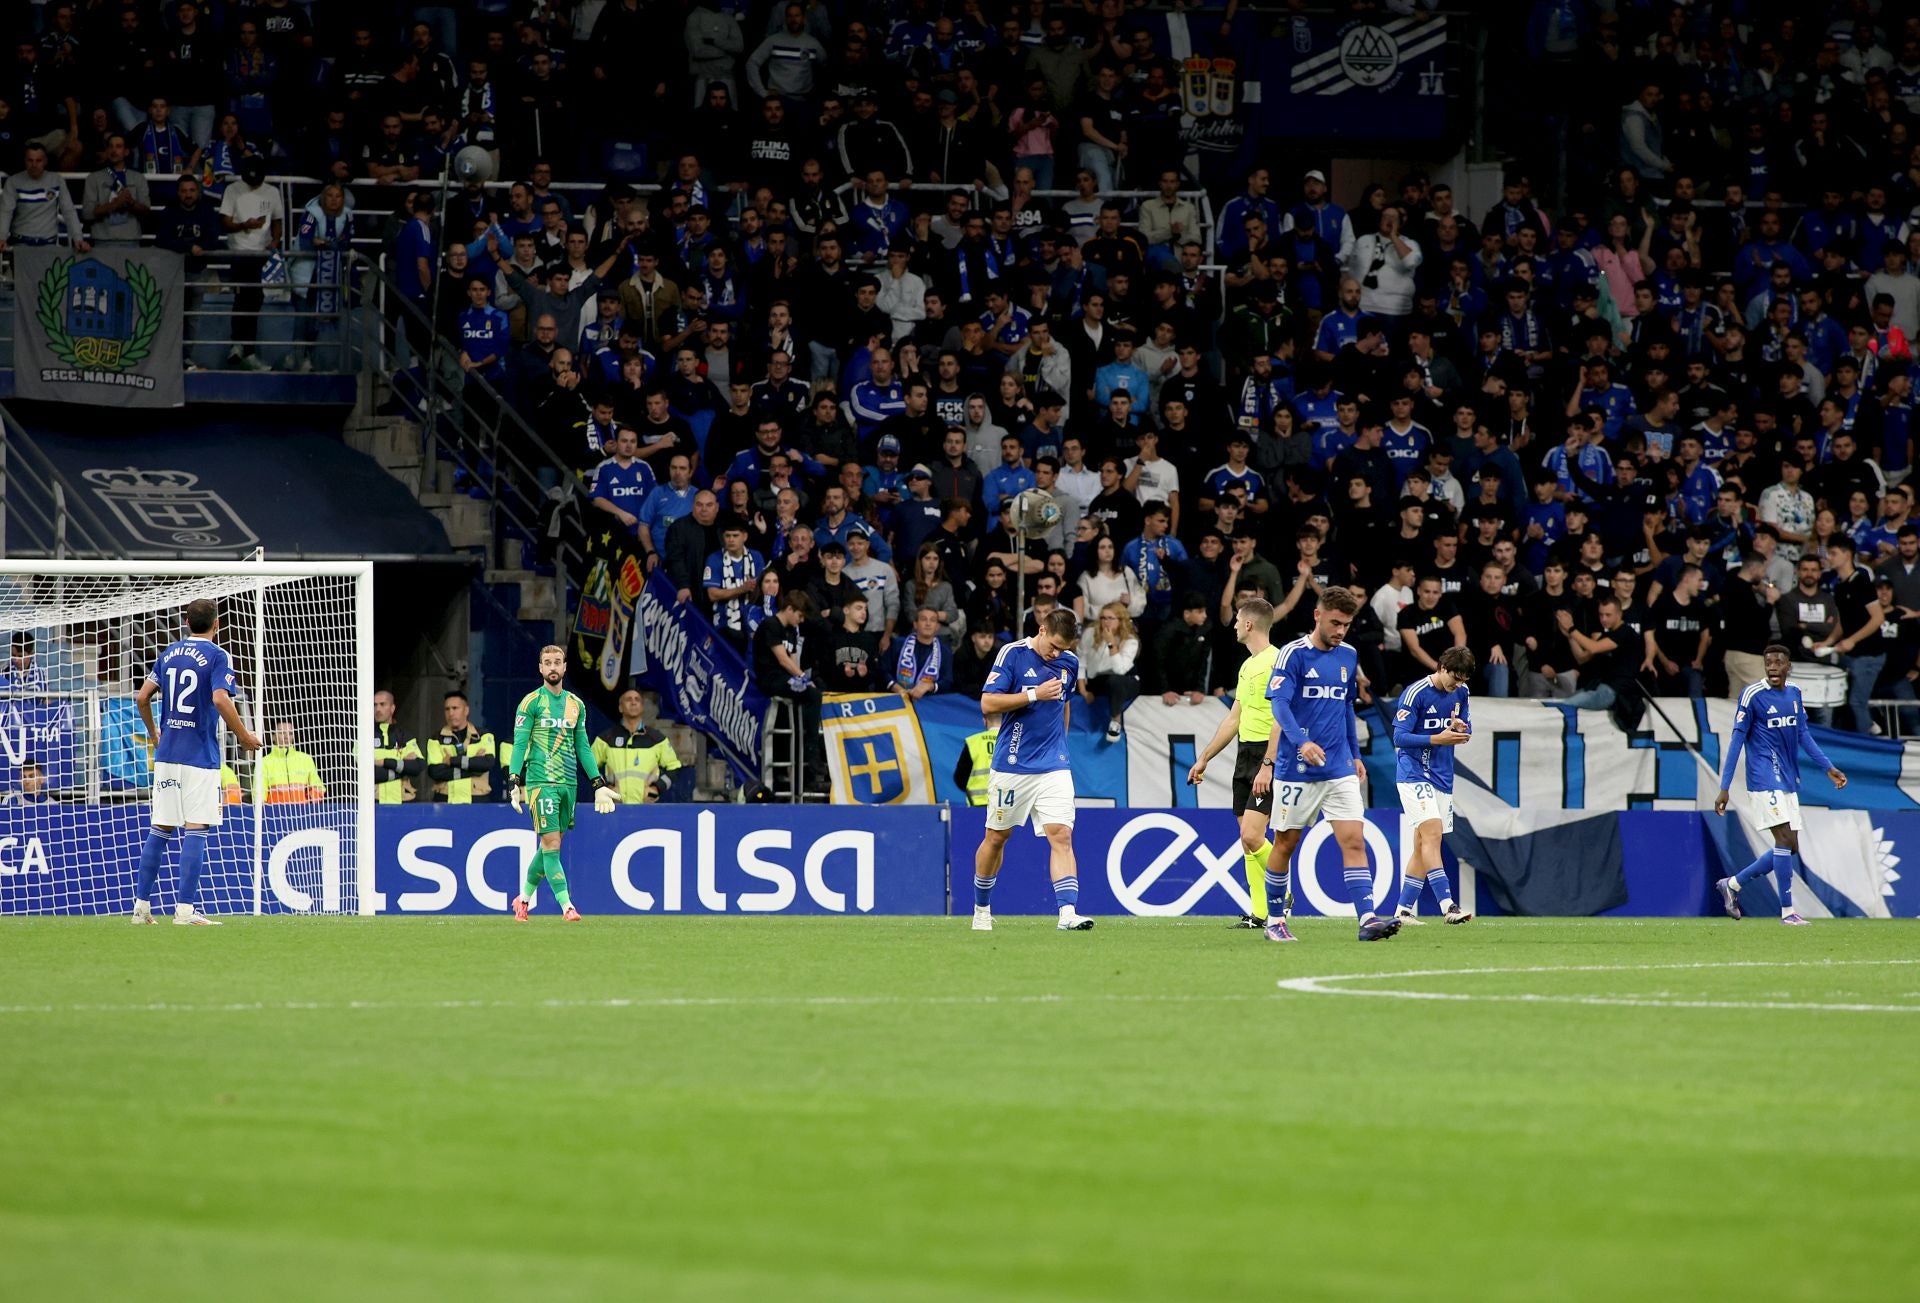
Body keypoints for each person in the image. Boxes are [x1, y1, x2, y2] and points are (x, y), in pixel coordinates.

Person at [1259, 586, 1401, 942]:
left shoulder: (1349, 655)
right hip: (1298, 769)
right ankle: (1274, 920)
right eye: (1335, 623)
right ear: (1317, 615)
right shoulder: (1292, 655)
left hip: (1338, 766)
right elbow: (1280, 705)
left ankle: (1367, 919)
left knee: (1354, 840)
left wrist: (1354, 754)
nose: (1340, 631)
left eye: (1346, 625)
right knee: (1285, 844)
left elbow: (1345, 708)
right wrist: (1301, 742)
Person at [131, 597, 263, 925]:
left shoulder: (169, 654)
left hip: (167, 753)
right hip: (198, 757)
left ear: (186, 622)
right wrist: (244, 736)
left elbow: (142, 697)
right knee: (196, 828)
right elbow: (220, 697)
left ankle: (141, 908)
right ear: (217, 625)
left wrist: (155, 733)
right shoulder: (218, 656)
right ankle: (185, 911)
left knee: (160, 828)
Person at [971, 608, 1094, 933]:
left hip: (1053, 765)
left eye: (1063, 648)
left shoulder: (1068, 662)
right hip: (1012, 765)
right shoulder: (1012, 654)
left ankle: (1067, 913)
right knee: (997, 838)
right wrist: (1032, 694)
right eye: (1053, 646)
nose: (1056, 653)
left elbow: (1063, 703)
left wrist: (1060, 745)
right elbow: (988, 703)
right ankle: (981, 909)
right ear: (1041, 629)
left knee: (1062, 835)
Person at [1713, 645, 1849, 927]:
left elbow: (1803, 735)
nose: (1773, 666)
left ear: (1789, 667)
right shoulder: (1752, 695)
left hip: (1787, 778)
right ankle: (1788, 912)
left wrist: (1829, 767)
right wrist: (1724, 786)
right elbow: (1737, 740)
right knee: (1785, 841)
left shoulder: (1795, 694)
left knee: (1790, 846)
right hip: (1763, 777)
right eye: (1768, 662)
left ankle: (1734, 884)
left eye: (1778, 662)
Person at [1184, 597, 1289, 935]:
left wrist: (1268, 764)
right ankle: (1259, 913)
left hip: (1268, 755)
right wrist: (1204, 758)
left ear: (1248, 625)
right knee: (1247, 841)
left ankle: (1283, 891)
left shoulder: (1278, 662)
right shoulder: (1248, 666)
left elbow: (1282, 719)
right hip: (1246, 753)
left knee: (1253, 835)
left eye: (1236, 621)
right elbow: (1234, 718)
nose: (1232, 626)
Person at [506, 645, 620, 922]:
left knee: (549, 846)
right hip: (540, 780)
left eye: (558, 662)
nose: (553, 667)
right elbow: (520, 743)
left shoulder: (575, 705)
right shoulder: (531, 703)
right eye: (548, 662)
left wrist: (597, 783)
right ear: (541, 668)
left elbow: (582, 745)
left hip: (568, 782)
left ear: (565, 667)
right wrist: (514, 780)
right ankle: (567, 906)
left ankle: (522, 900)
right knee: (552, 842)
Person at [1390, 646, 1477, 926]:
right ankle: (1447, 905)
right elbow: (1399, 737)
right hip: (1414, 772)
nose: (1458, 684)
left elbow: (1466, 729)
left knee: (1421, 843)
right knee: (1432, 835)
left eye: (1463, 680)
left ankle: (1403, 911)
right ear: (1441, 667)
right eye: (1455, 677)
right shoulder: (1416, 693)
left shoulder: (1461, 694)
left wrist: (1461, 730)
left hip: (1442, 776)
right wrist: (1435, 739)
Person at [591, 688, 683, 805]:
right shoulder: (606, 738)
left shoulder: (656, 739)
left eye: (637, 700)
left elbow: (674, 768)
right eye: (628, 699)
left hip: (646, 808)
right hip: (614, 807)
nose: (633, 702)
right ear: (620, 707)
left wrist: (657, 788)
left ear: (642, 707)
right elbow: (589, 767)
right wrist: (603, 788)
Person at [1078, 601, 1141, 741]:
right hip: (1098, 679)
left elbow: (1120, 670)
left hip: (1125, 679)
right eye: (1103, 618)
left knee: (1115, 681)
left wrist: (1111, 643)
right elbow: (1081, 661)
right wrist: (1083, 690)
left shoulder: (1130, 640)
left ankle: (1115, 722)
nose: (1106, 622)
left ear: (1121, 620)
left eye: (1110, 618)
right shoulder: (1090, 633)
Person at [426, 690, 496, 803]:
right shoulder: (436, 739)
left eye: (455, 708)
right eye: (447, 709)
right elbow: (435, 772)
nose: (451, 713)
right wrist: (474, 769)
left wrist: (453, 761)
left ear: (466, 710)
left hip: (476, 800)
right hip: (445, 800)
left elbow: (487, 763)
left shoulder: (483, 735)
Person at [371, 689, 424, 804]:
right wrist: (400, 769)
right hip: (372, 804)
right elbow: (361, 772)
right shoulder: (364, 737)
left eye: (382, 704)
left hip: (402, 802)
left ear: (392, 708)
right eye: (375, 705)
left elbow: (418, 766)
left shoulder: (405, 736)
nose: (377, 709)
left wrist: (384, 762)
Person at [257, 720, 325, 804]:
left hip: (303, 813)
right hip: (275, 814)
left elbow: (318, 787)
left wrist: (312, 801)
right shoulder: (264, 762)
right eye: (282, 733)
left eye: (290, 734)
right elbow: (258, 796)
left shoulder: (306, 759)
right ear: (273, 736)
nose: (286, 737)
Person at [893, 607, 950, 698]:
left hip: (927, 703)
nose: (928, 624)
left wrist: (930, 686)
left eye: (932, 620)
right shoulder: (898, 644)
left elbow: (947, 681)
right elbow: (884, 671)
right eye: (923, 619)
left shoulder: (945, 652)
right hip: (897, 699)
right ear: (915, 624)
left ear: (937, 627)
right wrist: (896, 688)